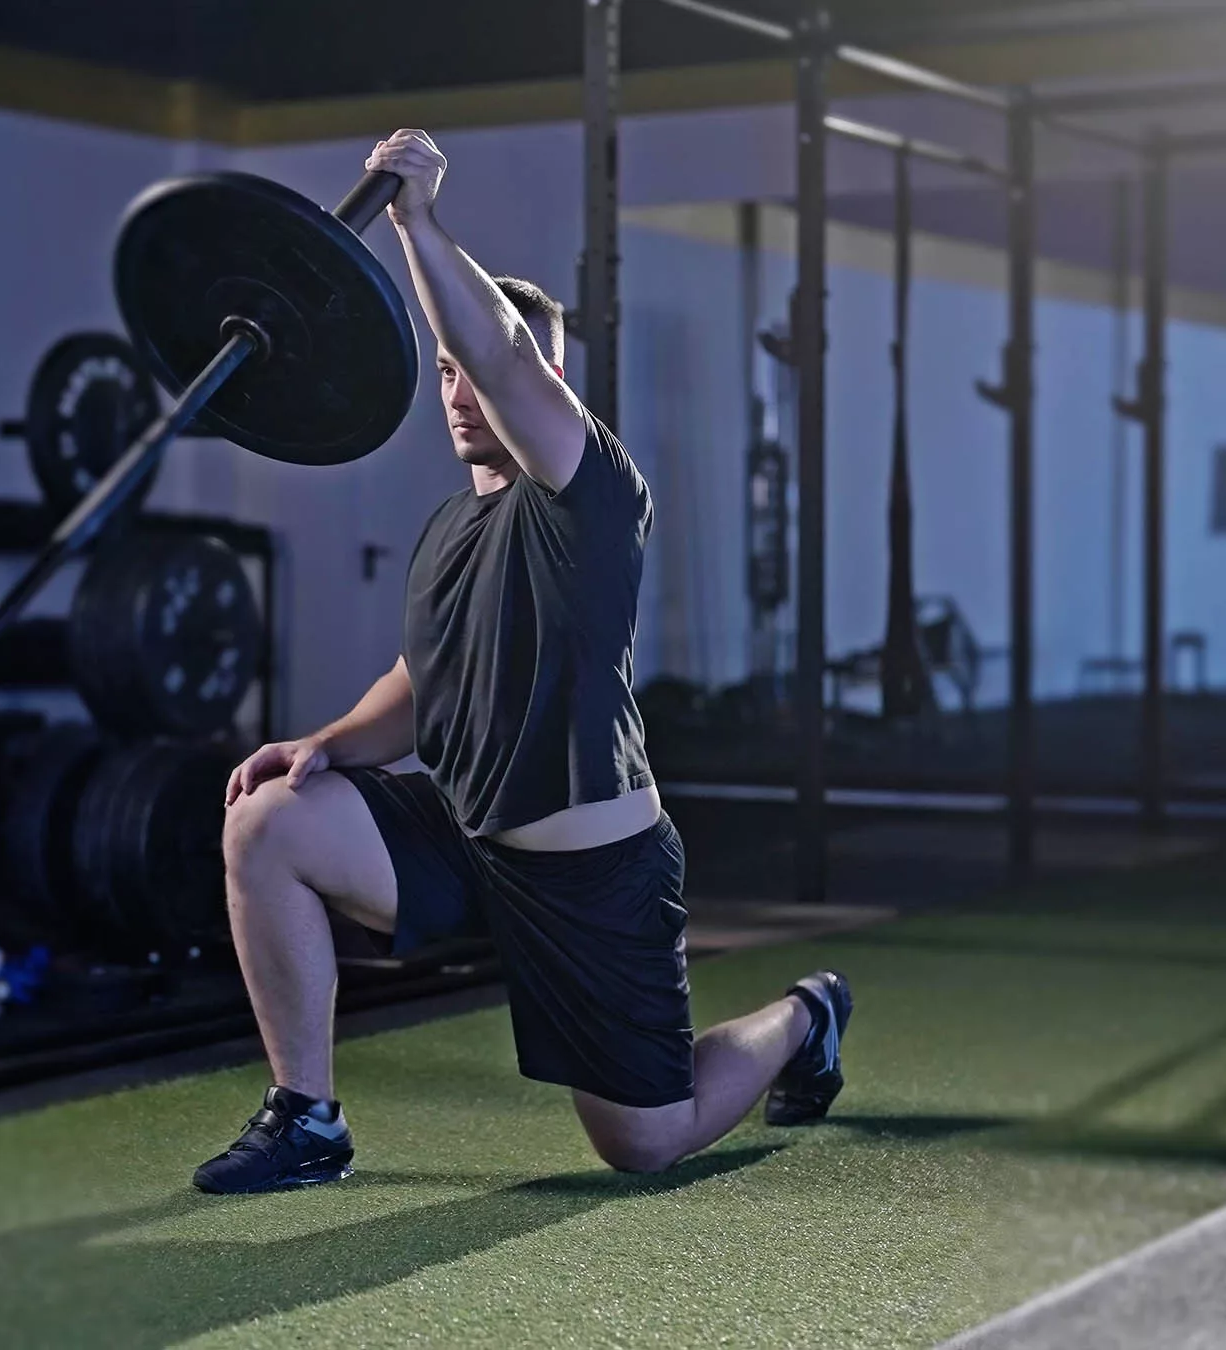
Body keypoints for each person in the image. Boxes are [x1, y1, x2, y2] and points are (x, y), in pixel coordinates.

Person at [193, 130, 851, 1194]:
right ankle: (307, 1118)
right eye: (447, 374)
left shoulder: (591, 495)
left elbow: (501, 351)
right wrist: (323, 744)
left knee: (643, 1141)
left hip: (590, 871)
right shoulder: (454, 527)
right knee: (265, 821)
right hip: (463, 837)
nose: (462, 388)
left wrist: (415, 218)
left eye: (482, 370)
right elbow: (425, 680)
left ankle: (806, 1017)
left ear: (549, 383)